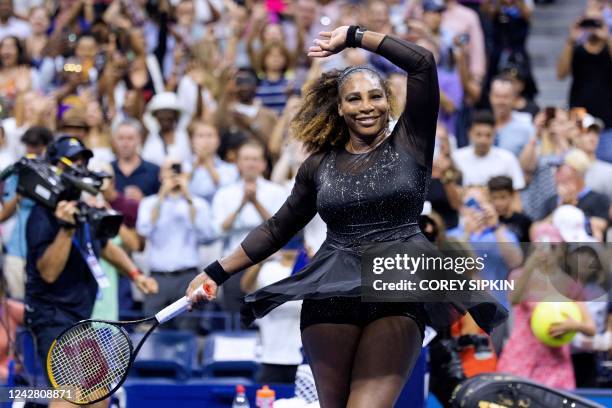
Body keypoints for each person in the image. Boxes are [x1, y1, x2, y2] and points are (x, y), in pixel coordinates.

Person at [188, 26, 507, 407]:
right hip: (330, 291)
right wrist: (215, 272)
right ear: (340, 108)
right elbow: (277, 228)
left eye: (375, 96)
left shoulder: (411, 142)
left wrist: (355, 36)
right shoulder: (317, 166)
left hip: (395, 286)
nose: (366, 105)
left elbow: (422, 62)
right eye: (353, 99)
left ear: (388, 103)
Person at [24, 137, 157, 402]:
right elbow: (48, 272)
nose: (80, 167)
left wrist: (135, 274)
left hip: (80, 319)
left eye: (83, 162)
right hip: (52, 316)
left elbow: (104, 246)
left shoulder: (83, 208)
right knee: (69, 393)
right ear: (55, 167)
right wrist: (66, 229)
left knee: (98, 395)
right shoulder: (43, 213)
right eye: (73, 161)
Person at [137, 159, 216, 330]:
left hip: (188, 277)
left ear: (187, 175)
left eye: (178, 170)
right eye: (169, 170)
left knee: (188, 331)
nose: (174, 175)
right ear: (160, 175)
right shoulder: (149, 203)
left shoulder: (198, 203)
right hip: (157, 278)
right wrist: (161, 198)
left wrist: (188, 198)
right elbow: (143, 230)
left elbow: (207, 235)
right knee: (151, 332)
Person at [0, 126, 53, 300]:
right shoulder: (18, 172)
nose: (31, 150)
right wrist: (21, 194)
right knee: (17, 304)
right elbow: (4, 214)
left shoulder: (54, 173)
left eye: (35, 146)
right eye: (28, 146)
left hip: (46, 249)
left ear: (45, 147)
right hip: (18, 247)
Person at [452, 110, 525, 189]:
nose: (483, 140)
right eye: (478, 134)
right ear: (470, 134)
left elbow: (517, 189)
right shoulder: (456, 157)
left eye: (488, 135)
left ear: (494, 135)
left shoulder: (508, 158)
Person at [488, 176, 532, 242]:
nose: (498, 203)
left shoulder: (524, 221)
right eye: (494, 198)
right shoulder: (489, 221)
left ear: (512, 195)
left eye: (503, 197)